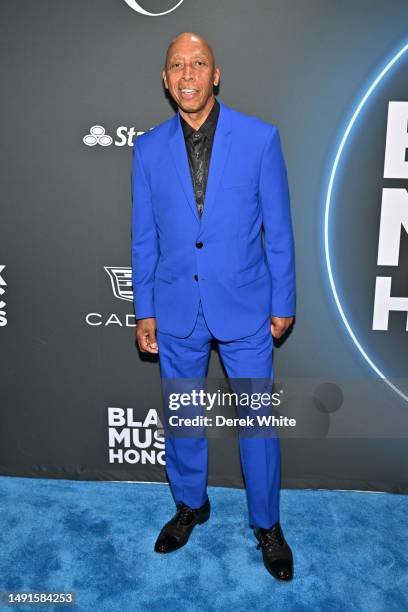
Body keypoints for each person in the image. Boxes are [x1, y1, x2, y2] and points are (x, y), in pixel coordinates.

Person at [131, 31, 296, 581]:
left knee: (258, 424)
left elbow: (279, 230)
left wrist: (283, 300)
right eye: (176, 65)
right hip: (177, 306)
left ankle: (267, 525)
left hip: (246, 305)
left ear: (215, 74)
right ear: (165, 79)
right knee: (182, 417)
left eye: (197, 63)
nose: (187, 74)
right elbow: (143, 238)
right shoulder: (148, 148)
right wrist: (145, 309)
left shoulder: (260, 138)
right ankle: (189, 506)